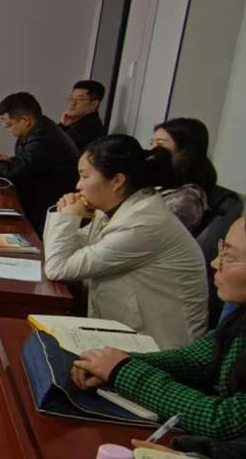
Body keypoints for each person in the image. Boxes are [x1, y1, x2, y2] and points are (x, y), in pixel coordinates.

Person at [72, 217, 246, 438]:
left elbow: (223, 420)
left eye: (228, 257)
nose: (214, 263)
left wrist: (123, 372)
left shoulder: (146, 223)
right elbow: (200, 358)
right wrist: (116, 362)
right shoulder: (240, 313)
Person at [44, 134, 207, 348]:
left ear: (117, 181)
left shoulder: (143, 223)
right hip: (125, 331)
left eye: (85, 176)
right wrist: (67, 215)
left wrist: (68, 217)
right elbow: (68, 251)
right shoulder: (116, 208)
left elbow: (58, 267)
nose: (78, 185)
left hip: (161, 347)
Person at [0, 92, 79, 232]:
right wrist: (8, 161)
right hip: (41, 201)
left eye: (9, 124)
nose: (6, 128)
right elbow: (29, 163)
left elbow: (17, 171)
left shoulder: (43, 137)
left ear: (25, 120)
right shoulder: (41, 128)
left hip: (48, 210)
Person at [151, 117, 217, 234]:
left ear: (185, 152)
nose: (151, 152)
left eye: (160, 144)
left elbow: (145, 233)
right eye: (151, 143)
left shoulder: (187, 201)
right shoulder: (160, 186)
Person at [60, 80, 106, 152]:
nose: (72, 103)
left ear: (93, 104)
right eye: (71, 98)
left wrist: (61, 126)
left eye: (79, 99)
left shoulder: (88, 129)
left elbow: (50, 148)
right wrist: (63, 126)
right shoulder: (78, 124)